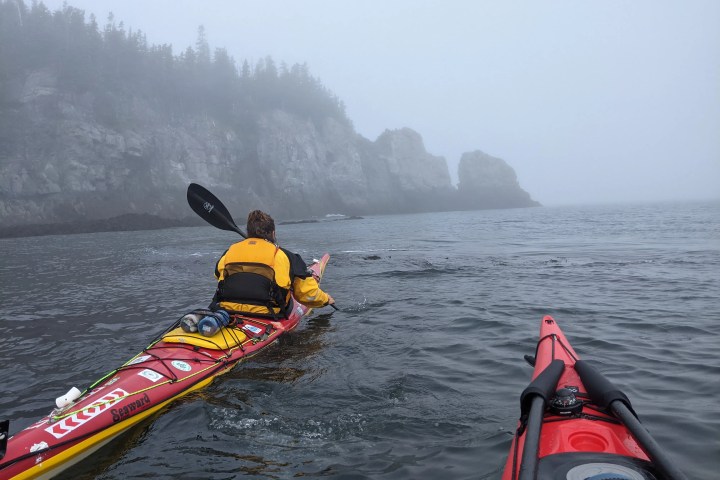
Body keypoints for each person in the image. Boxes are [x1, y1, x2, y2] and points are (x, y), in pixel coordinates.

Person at [210, 210, 334, 319]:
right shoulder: (286, 256)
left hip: (228, 309)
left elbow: (218, 275)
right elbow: (307, 294)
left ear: (248, 232)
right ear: (273, 233)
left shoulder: (229, 252)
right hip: (270, 313)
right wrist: (326, 299)